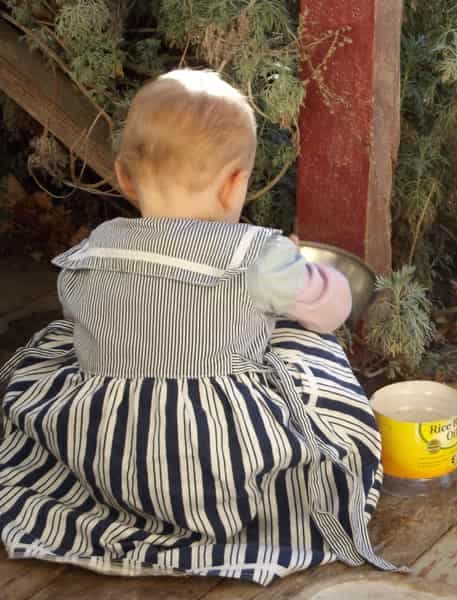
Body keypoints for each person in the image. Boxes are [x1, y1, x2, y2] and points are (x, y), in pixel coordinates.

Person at [0, 69, 394, 585]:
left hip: (108, 452)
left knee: (51, 346)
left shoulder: (95, 250)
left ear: (123, 177)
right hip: (221, 466)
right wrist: (298, 267)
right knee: (307, 339)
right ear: (235, 184)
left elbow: (87, 318)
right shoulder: (255, 257)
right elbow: (335, 306)